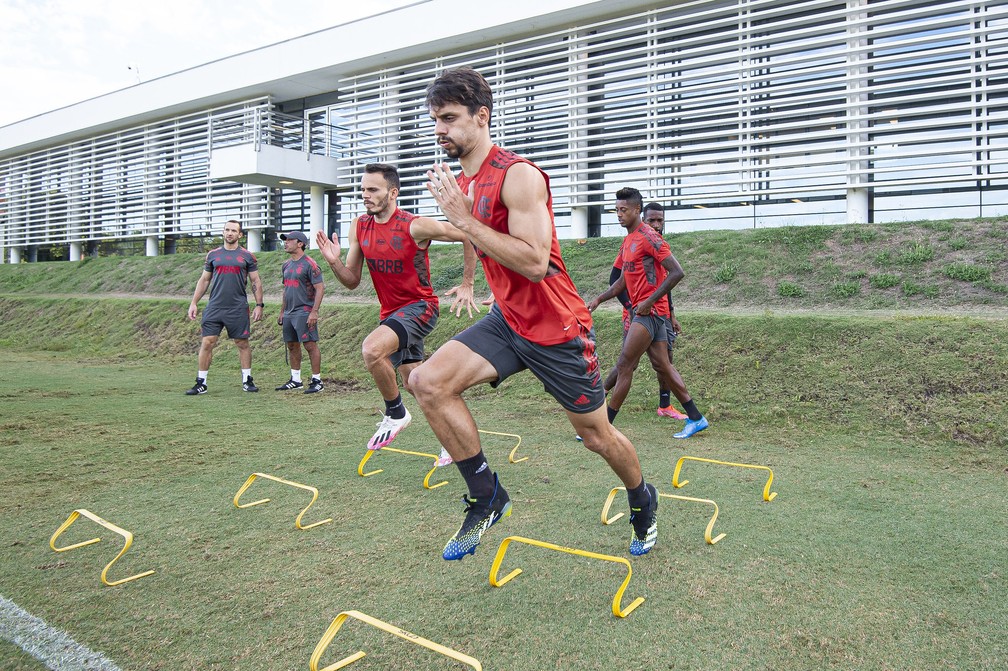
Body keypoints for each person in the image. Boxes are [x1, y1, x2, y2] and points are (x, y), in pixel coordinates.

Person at [411, 66, 659, 561]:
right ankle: (487, 497)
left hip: (555, 326)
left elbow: (534, 259)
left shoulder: (517, 175)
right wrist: (439, 234)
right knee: (427, 382)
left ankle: (641, 498)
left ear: (481, 117)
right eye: (435, 119)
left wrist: (463, 221)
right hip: (508, 319)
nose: (440, 128)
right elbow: (469, 234)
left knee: (595, 436)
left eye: (450, 118)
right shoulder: (468, 180)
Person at [315, 163, 477, 464]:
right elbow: (351, 281)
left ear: (393, 193)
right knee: (420, 385)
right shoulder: (360, 226)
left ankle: (395, 413)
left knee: (372, 349)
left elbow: (468, 234)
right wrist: (334, 262)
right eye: (363, 189)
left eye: (372, 189)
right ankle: (454, 441)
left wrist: (468, 283)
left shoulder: (415, 225)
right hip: (392, 314)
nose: (365, 195)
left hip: (420, 308)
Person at [587, 188, 708, 440]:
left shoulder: (649, 237)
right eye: (616, 210)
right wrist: (600, 298)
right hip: (648, 314)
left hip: (649, 315)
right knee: (663, 366)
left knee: (624, 365)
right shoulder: (629, 239)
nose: (618, 215)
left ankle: (605, 427)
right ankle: (696, 418)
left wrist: (648, 301)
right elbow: (622, 280)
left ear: (636, 210)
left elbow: (677, 272)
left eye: (623, 210)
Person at [600, 201, 687, 421]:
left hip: (659, 312)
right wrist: (631, 307)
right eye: (652, 220)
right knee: (628, 362)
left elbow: (666, 282)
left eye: (660, 220)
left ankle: (666, 405)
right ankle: (600, 399)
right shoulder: (634, 240)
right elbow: (617, 279)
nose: (657, 225)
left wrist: (672, 314)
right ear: (642, 218)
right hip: (638, 312)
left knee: (665, 359)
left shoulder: (658, 243)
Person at [185, 219, 263, 395]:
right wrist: (194, 302)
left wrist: (259, 305)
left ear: (240, 235)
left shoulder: (247, 256)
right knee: (207, 342)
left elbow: (255, 281)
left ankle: (247, 380)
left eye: (234, 231)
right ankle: (201, 383)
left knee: (242, 343)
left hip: (237, 307)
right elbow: (204, 280)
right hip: (215, 307)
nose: (230, 233)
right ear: (223, 232)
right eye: (227, 230)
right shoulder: (213, 255)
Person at [274, 231, 325, 394]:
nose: (286, 243)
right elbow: (286, 289)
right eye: (285, 240)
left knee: (310, 345)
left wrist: (314, 312)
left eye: (289, 240)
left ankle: (317, 380)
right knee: (291, 345)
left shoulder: (310, 264)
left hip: (304, 311)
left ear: (300, 243)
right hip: (289, 312)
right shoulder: (286, 265)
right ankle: (295, 379)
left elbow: (320, 288)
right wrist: (282, 311)